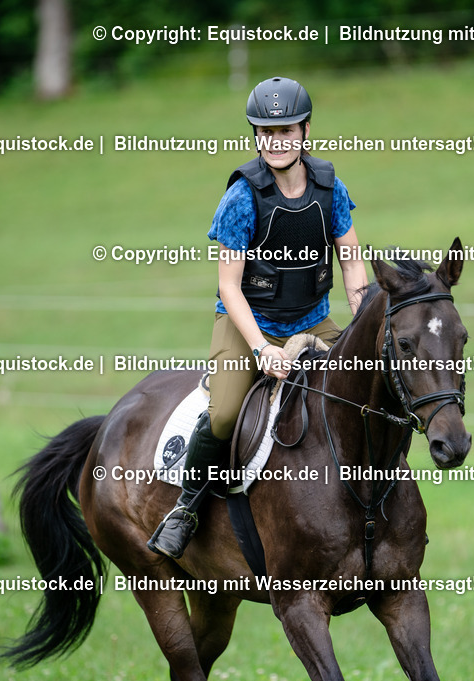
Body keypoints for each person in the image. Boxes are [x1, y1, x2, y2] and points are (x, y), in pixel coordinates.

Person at [148, 76, 368, 559]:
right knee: (224, 413)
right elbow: (229, 285)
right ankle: (186, 507)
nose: (275, 141)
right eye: (265, 133)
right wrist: (262, 349)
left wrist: (364, 314)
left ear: (306, 131)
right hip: (248, 325)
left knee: (365, 383)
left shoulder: (331, 188)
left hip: (312, 321)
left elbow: (351, 260)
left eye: (285, 131)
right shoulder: (242, 197)